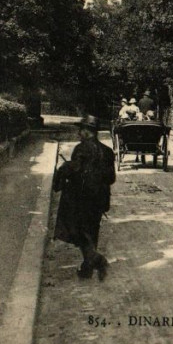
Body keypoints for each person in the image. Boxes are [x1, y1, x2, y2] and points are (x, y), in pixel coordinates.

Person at [53, 115, 116, 281]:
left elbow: (75, 170)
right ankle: (87, 268)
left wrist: (65, 169)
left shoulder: (81, 149)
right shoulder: (108, 152)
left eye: (81, 130)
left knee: (80, 231)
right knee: (92, 231)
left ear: (89, 132)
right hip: (100, 199)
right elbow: (111, 178)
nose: (79, 133)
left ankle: (97, 260)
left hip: (82, 198)